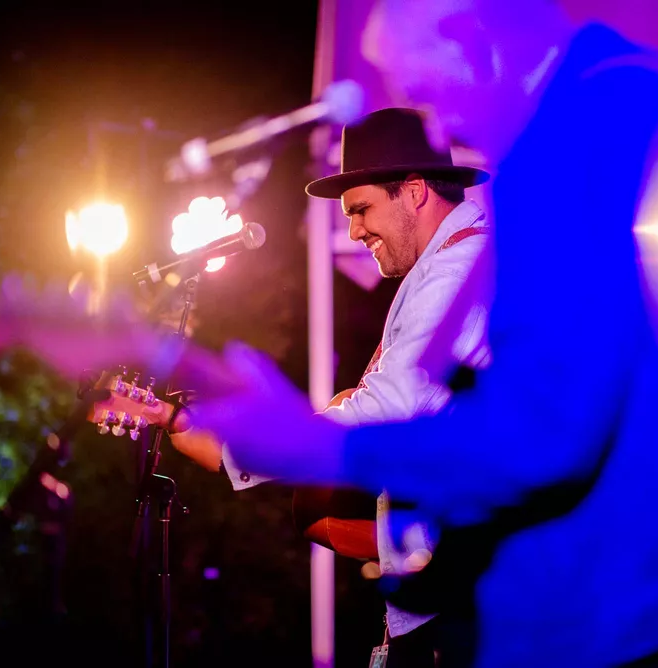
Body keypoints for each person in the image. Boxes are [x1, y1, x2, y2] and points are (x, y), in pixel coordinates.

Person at [174, 2, 658, 667]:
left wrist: (304, 440)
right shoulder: (609, 105)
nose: (437, 125)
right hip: (636, 600)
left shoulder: (577, 136)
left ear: (471, 35)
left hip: (619, 613)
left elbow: (546, 431)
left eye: (421, 91)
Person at [162, 106, 494, 666]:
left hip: (469, 605)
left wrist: (240, 446)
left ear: (414, 192)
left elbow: (390, 405)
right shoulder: (450, 263)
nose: (355, 230)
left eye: (362, 209)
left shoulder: (456, 270)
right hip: (451, 589)